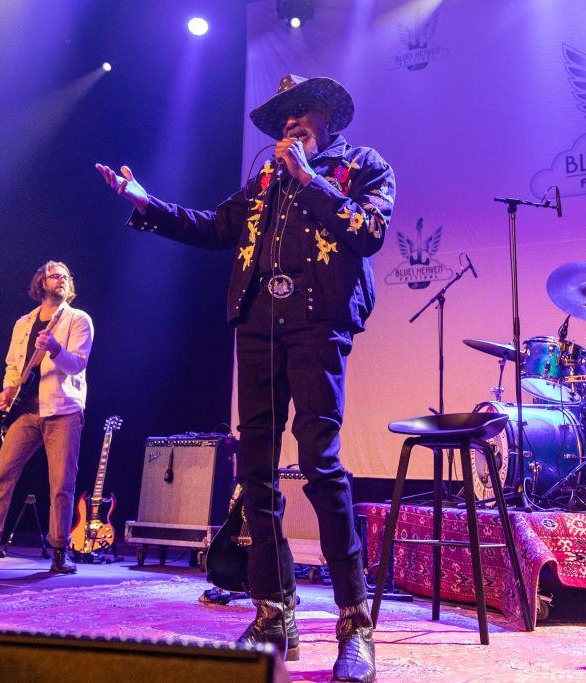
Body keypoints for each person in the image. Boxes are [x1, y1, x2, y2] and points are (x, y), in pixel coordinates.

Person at [96, 74, 393, 682]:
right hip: (257, 321)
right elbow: (215, 227)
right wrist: (146, 202)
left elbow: (369, 232)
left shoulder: (362, 166)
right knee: (255, 471)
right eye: (283, 118)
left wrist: (308, 178)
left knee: (320, 465)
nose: (290, 124)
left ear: (328, 120)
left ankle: (354, 621)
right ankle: (272, 611)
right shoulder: (263, 180)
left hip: (319, 325)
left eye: (301, 114)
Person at [0, 261, 94, 574]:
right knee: (0, 476)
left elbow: (77, 365)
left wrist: (56, 348)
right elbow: (13, 367)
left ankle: (60, 552)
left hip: (63, 410)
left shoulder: (78, 320)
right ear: (40, 283)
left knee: (61, 483)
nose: (61, 280)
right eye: (54, 275)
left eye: (65, 276)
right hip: (26, 410)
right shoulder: (24, 323)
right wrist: (7, 391)